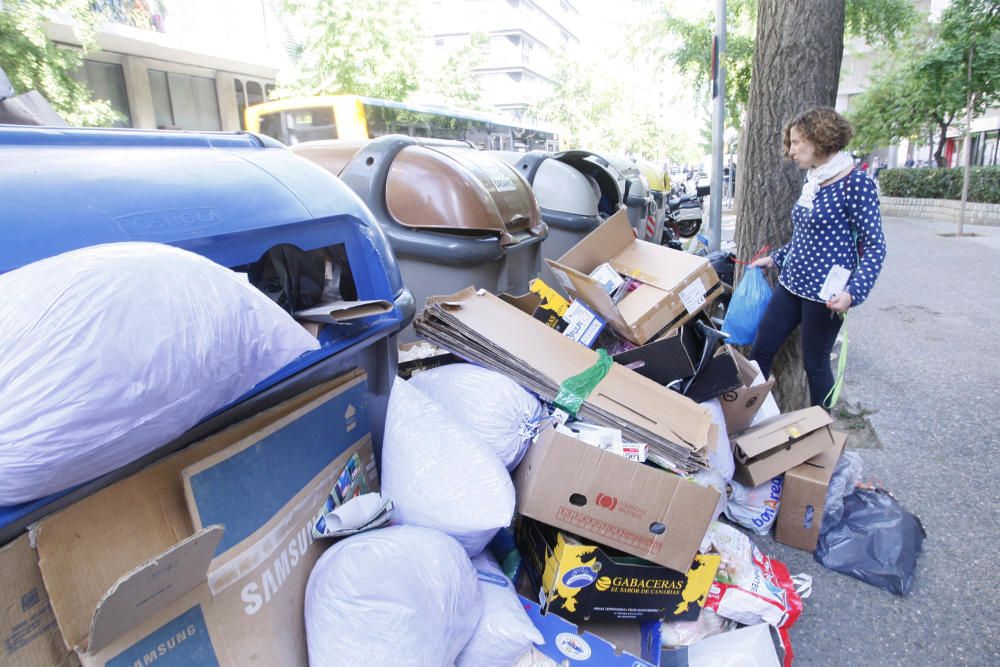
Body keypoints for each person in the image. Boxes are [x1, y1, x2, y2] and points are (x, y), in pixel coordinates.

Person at [749, 106, 886, 409]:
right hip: (791, 284)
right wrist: (775, 258)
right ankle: (746, 420)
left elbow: (876, 246)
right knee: (760, 351)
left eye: (797, 142)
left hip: (826, 295)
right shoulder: (813, 180)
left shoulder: (855, 183)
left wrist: (853, 293)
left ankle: (817, 438)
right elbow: (806, 238)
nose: (791, 150)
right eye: (792, 143)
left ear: (820, 139)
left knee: (816, 365)